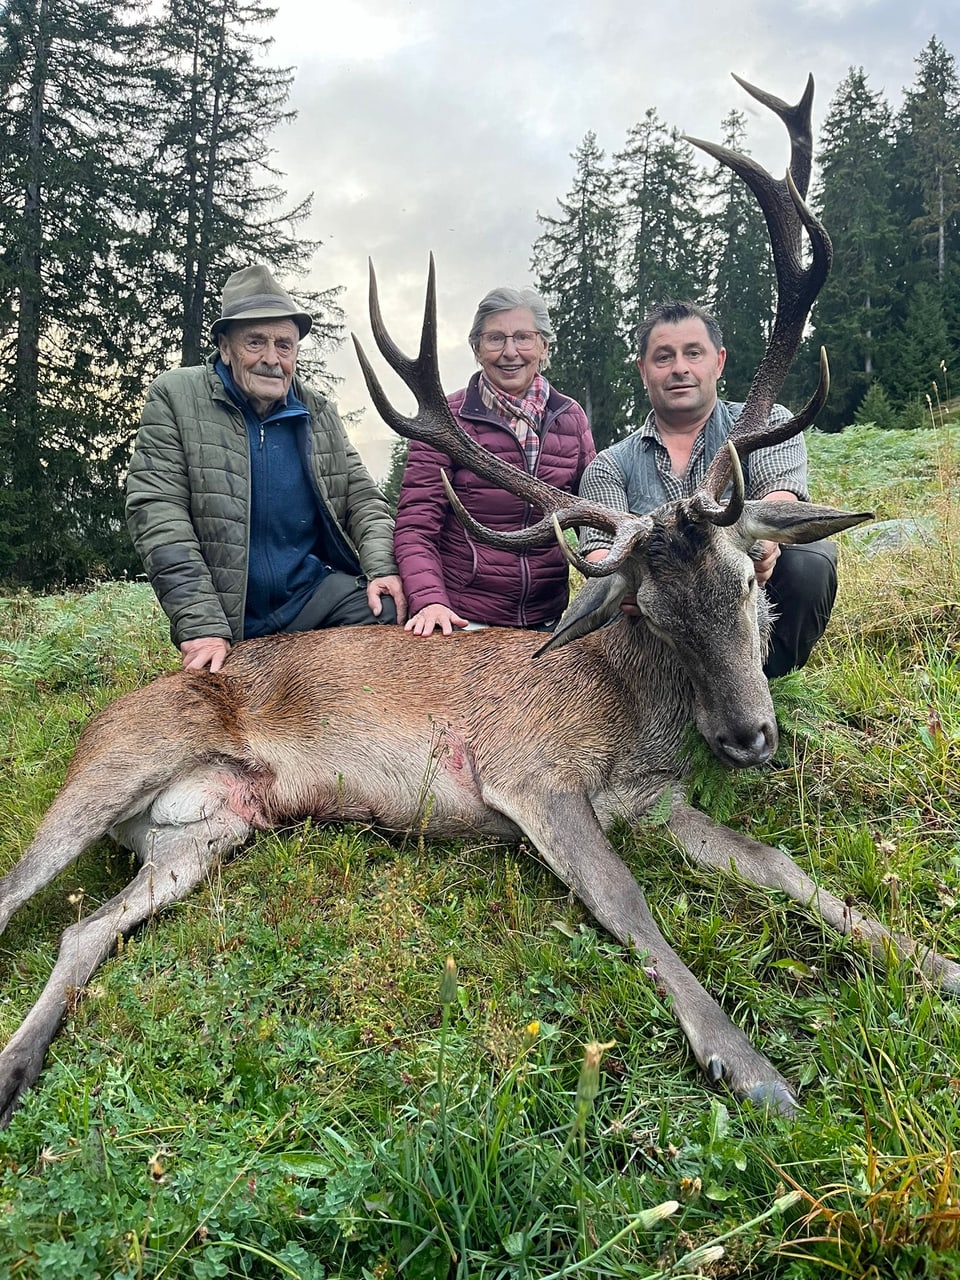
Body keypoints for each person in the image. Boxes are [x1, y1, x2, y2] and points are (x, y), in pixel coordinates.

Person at [126, 264, 406, 672]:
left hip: (311, 596)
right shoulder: (175, 397)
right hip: (231, 611)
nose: (272, 359)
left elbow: (364, 500)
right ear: (225, 347)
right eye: (255, 342)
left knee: (388, 612)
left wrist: (381, 568)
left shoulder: (318, 411)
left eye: (284, 345)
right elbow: (158, 514)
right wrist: (201, 624)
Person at [577, 299, 837, 679]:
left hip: (744, 598)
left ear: (719, 362)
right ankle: (672, 691)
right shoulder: (609, 465)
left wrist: (762, 548)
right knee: (612, 595)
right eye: (663, 357)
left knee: (810, 561)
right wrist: (624, 577)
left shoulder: (769, 423)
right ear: (643, 371)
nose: (679, 367)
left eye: (693, 353)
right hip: (660, 628)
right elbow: (601, 553)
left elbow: (780, 497)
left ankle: (770, 679)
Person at [394, 285, 595, 636]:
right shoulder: (445, 419)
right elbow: (416, 526)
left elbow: (591, 517)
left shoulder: (570, 418)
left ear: (544, 346)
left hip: (546, 620)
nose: (510, 351)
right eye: (495, 338)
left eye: (523, 337)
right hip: (463, 618)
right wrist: (429, 599)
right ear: (476, 348)